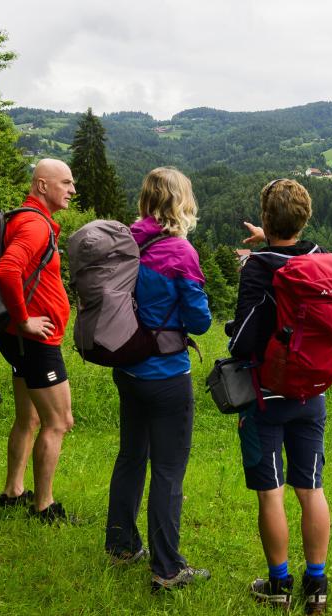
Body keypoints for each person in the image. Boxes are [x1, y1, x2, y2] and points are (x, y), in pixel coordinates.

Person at [104, 167, 212, 592]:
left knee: (131, 455)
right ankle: (168, 569)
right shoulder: (179, 252)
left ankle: (121, 545)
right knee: (168, 470)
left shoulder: (125, 240)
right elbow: (199, 322)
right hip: (166, 373)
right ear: (179, 201)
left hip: (127, 367)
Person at [228, 179, 330, 613]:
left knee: (271, 493)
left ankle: (278, 586)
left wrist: (255, 259)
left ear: (266, 220)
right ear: (304, 220)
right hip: (312, 393)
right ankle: (318, 586)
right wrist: (267, 241)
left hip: (266, 396)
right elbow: (290, 250)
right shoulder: (319, 259)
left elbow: (244, 340)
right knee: (311, 488)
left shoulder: (257, 268)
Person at [0, 158, 76, 523]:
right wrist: (24, 319)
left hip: (20, 341)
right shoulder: (34, 224)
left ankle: (13, 492)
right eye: (66, 183)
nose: (72, 190)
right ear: (42, 185)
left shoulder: (27, 220)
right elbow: (7, 269)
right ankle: (44, 506)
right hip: (35, 343)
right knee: (59, 422)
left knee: (27, 419)